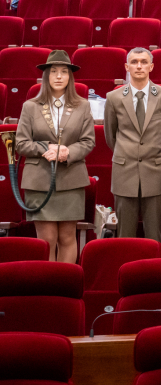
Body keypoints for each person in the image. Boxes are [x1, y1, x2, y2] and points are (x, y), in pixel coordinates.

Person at [16, 50, 95, 263]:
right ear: (46, 76)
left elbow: (88, 142)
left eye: (63, 71)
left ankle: (65, 284)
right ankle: (49, 285)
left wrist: (68, 151)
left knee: (68, 236)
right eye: (53, 72)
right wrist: (46, 148)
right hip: (39, 181)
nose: (59, 76)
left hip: (71, 179)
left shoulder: (83, 106)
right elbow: (21, 144)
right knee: (47, 238)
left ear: (70, 76)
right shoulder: (30, 106)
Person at [104, 47, 161, 245]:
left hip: (156, 170)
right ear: (127, 67)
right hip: (124, 171)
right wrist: (127, 153)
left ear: (151, 66)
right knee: (124, 236)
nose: (139, 66)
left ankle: (154, 274)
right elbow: (111, 136)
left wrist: (156, 154)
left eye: (144, 62)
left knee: (154, 234)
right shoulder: (114, 97)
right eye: (134, 62)